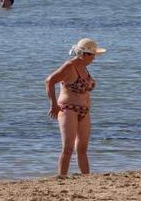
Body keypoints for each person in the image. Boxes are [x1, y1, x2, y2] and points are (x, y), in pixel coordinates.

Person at [45, 38, 106, 178]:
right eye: (93, 55)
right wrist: (53, 105)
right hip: (68, 109)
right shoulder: (69, 66)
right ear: (84, 54)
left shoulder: (84, 67)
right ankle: (61, 178)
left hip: (84, 111)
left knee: (83, 148)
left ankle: (86, 178)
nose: (94, 58)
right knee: (68, 148)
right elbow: (49, 81)